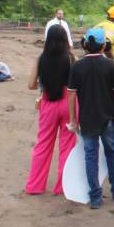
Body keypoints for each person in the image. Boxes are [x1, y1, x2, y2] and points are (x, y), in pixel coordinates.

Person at [67, 27, 114, 209]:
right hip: (108, 117)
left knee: (90, 156)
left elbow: (71, 95)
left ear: (85, 45)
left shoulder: (77, 66)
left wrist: (73, 119)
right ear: (104, 45)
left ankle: (95, 197)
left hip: (87, 119)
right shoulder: (110, 65)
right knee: (111, 154)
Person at [25, 25, 76, 195]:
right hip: (68, 102)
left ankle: (35, 186)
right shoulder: (70, 57)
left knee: (43, 144)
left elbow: (31, 85)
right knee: (67, 145)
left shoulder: (41, 58)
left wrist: (45, 84)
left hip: (48, 102)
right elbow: (75, 85)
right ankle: (62, 186)